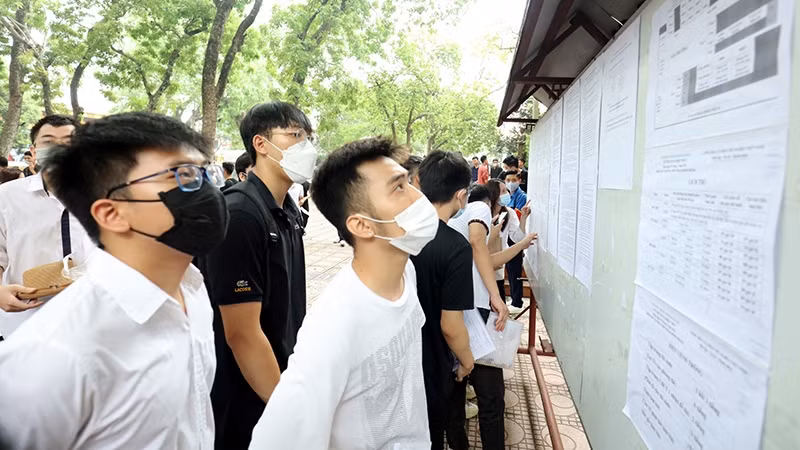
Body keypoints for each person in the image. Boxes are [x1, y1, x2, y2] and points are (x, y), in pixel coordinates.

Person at [0, 112, 226, 448]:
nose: (204, 190)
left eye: (203, 173)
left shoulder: (192, 292)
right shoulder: (52, 356)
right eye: (180, 175)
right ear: (111, 213)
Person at [249, 137, 436, 449]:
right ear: (362, 225)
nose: (418, 198)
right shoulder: (333, 326)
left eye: (410, 182)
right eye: (399, 187)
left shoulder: (406, 273)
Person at [198, 101, 312, 450]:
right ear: (261, 144)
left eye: (309, 138)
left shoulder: (287, 210)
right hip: (244, 394)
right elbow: (243, 335)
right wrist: (285, 411)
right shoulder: (240, 214)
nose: (306, 147)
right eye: (295, 136)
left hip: (280, 375)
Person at [447, 184, 536, 450]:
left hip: (456, 313)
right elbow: (479, 245)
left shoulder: (452, 220)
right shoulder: (479, 209)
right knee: (491, 396)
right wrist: (497, 298)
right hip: (476, 316)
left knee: (457, 390)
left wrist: (520, 242)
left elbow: (489, 259)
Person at [0, 114, 92, 337]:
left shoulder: (106, 196)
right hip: (27, 320)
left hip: (91, 319)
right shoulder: (7, 197)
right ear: (34, 150)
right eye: (48, 141)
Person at [410, 151, 476, 450]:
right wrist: (466, 361)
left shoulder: (397, 231)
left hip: (396, 356)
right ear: (461, 196)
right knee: (430, 435)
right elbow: (451, 324)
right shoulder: (455, 247)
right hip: (431, 362)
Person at [502, 170, 529, 312]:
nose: (511, 183)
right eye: (508, 180)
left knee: (514, 270)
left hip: (516, 235)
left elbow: (517, 214)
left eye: (514, 180)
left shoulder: (522, 196)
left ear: (519, 181)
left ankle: (516, 301)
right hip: (506, 235)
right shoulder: (506, 197)